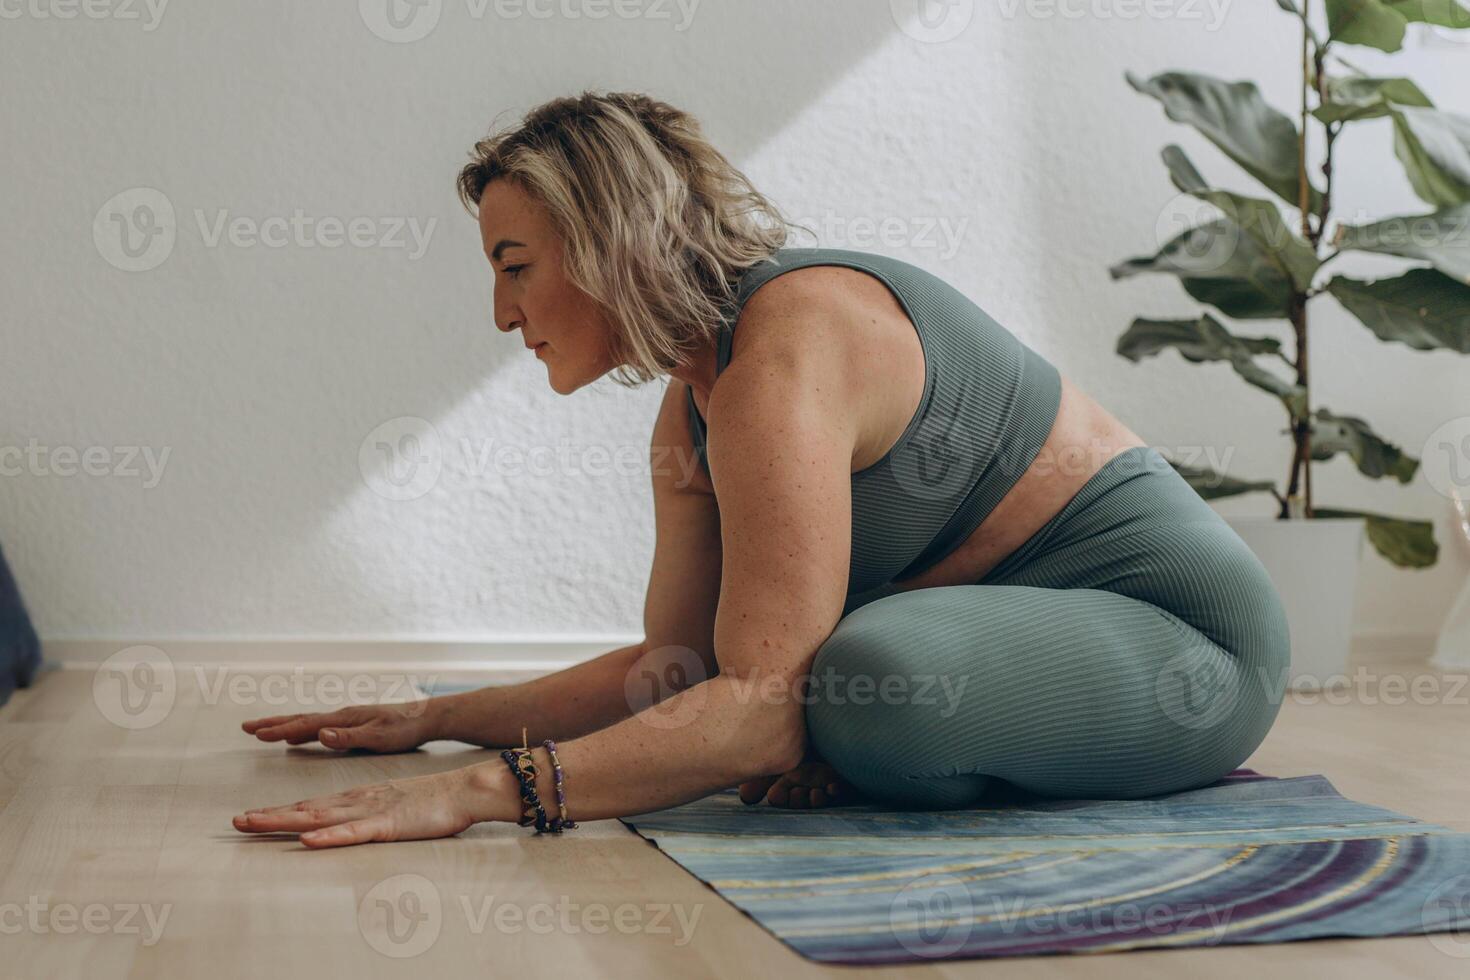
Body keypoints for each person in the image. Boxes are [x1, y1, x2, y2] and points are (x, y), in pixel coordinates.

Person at [233, 91, 1290, 848]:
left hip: (1184, 642)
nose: (502, 313)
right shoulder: (692, 409)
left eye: (515, 267)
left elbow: (759, 708)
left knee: (868, 680)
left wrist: (481, 791)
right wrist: (440, 717)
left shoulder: (785, 356)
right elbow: (677, 671)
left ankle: (902, 752)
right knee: (832, 676)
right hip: (1022, 642)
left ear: (605, 239)